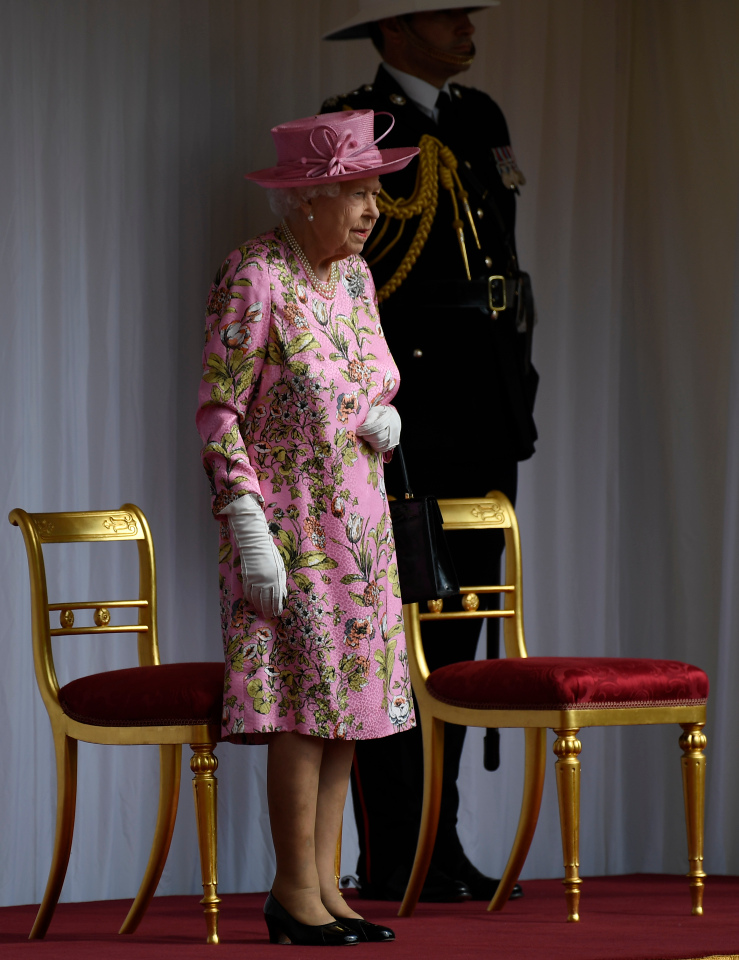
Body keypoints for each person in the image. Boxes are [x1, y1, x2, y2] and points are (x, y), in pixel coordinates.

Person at [321, 2, 538, 903]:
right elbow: (345, 267)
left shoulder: (479, 118)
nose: (465, 27)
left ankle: (441, 847)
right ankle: (392, 853)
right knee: (392, 639)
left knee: (460, 642)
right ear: (394, 33)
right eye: (445, 16)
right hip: (409, 418)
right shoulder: (358, 125)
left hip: (486, 410)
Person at [196, 108, 421, 946]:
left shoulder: (356, 281)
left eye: (373, 193)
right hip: (284, 523)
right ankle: (294, 891)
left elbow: (371, 380)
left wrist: (385, 415)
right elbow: (219, 409)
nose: (372, 211)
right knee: (301, 705)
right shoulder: (254, 274)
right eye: (356, 194)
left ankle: (328, 888)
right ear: (305, 199)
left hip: (359, 521)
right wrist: (244, 518)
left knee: (349, 711)